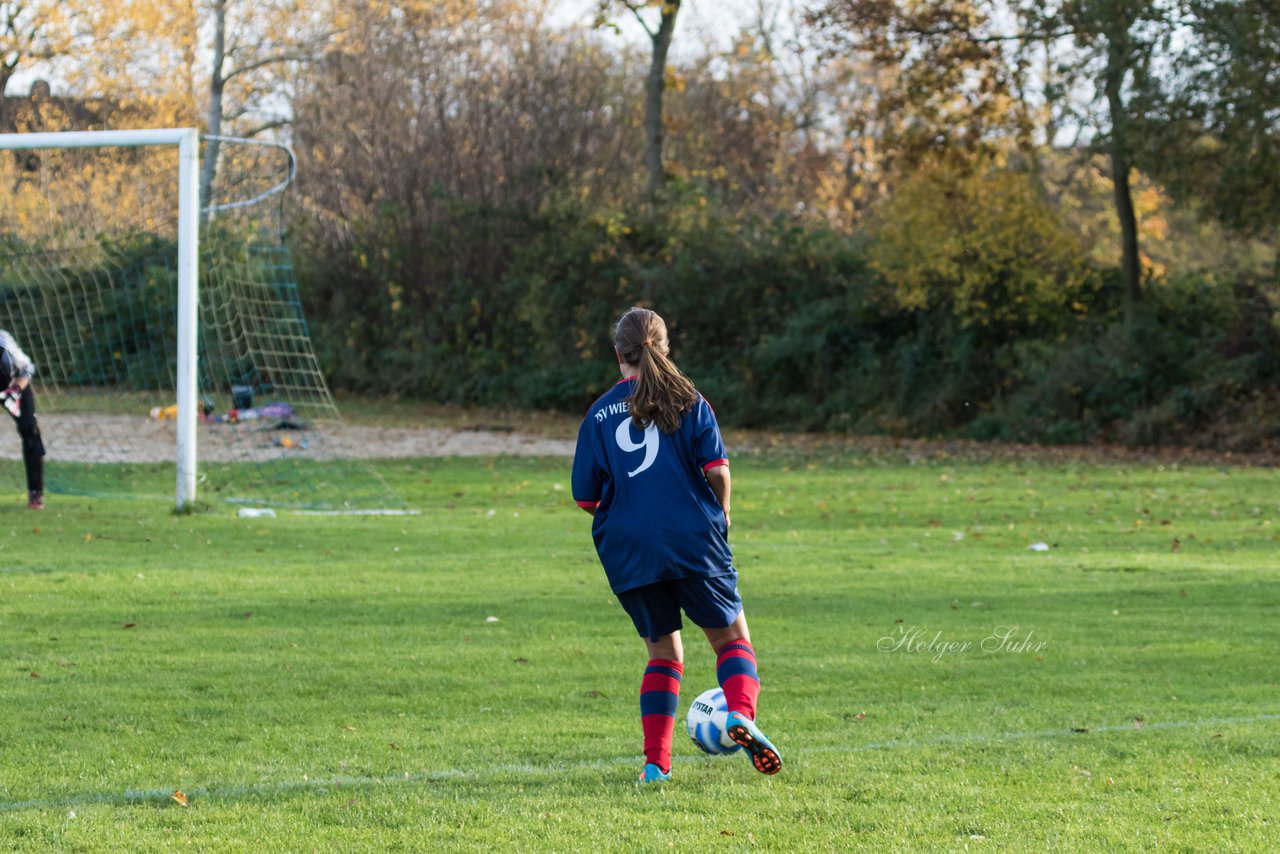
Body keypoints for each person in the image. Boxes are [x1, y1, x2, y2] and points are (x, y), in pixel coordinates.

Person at [571, 307, 781, 783]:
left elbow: (585, 495)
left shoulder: (598, 413)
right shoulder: (690, 400)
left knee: (663, 655)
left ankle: (655, 767)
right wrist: (722, 510)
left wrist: (630, 518)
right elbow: (718, 471)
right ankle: (740, 713)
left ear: (619, 354)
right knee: (732, 639)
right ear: (664, 348)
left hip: (628, 551)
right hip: (692, 541)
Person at [0, 330, 45, 509]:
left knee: (29, 430)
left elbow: (27, 369)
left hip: (13, 386)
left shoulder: (6, 345)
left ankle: (36, 493)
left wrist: (15, 391)